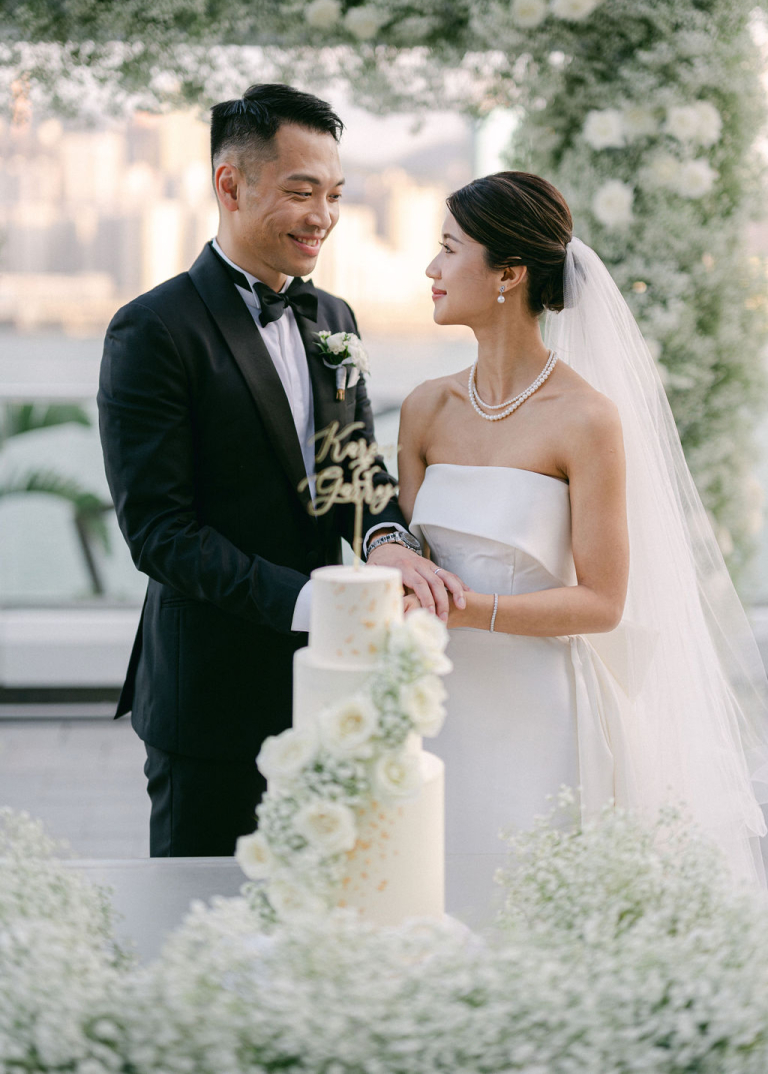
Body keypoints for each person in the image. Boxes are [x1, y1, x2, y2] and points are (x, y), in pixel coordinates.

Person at [97, 83, 465, 857]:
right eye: (302, 192)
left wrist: (387, 540)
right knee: (200, 907)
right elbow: (161, 533)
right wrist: (314, 603)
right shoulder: (152, 329)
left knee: (328, 898)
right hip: (211, 695)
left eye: (335, 194)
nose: (323, 215)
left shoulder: (335, 319)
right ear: (230, 185)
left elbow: (354, 471)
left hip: (334, 688)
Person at [397, 170, 768, 920]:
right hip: (432, 703)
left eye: (449, 249)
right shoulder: (424, 408)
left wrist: (470, 610)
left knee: (529, 912)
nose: (432, 268)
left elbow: (602, 603)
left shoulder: (585, 418)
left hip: (539, 711)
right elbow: (407, 554)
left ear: (508, 274)